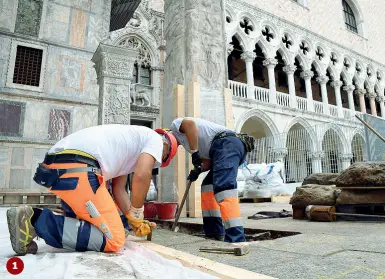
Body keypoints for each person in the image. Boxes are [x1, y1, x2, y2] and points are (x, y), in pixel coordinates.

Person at [6, 125, 177, 255]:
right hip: (79, 170)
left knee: (102, 225)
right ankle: (33, 221)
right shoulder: (155, 140)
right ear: (164, 146)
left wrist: (133, 220)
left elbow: (119, 190)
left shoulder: (131, 144)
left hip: (61, 167)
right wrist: (138, 212)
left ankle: (64, 222)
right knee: (114, 239)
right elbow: (142, 175)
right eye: (161, 158)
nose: (156, 161)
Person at [168, 117, 254, 243]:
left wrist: (194, 152)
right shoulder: (186, 143)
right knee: (207, 186)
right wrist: (197, 171)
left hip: (227, 143)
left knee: (224, 188)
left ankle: (236, 237)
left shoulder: (175, 126)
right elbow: (208, 163)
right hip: (221, 150)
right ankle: (214, 232)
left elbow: (190, 124)